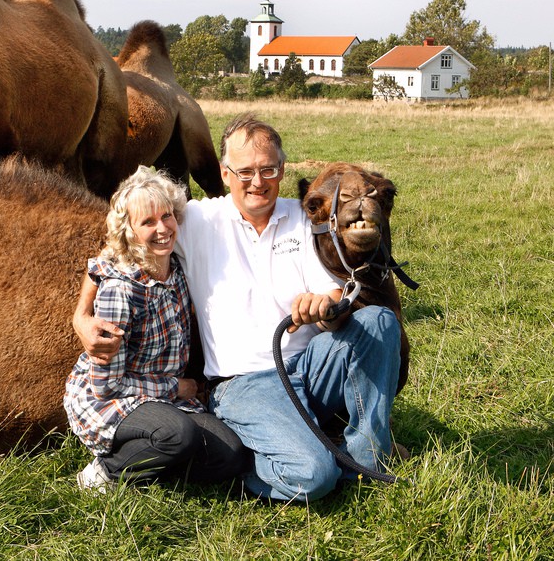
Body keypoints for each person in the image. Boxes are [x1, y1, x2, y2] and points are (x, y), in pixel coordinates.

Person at [73, 113, 402, 501]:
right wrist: (81, 316)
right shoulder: (195, 220)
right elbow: (113, 256)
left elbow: (335, 291)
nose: (257, 182)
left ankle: (367, 455)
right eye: (245, 171)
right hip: (245, 383)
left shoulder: (304, 215)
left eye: (267, 170)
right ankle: (254, 466)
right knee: (314, 477)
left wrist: (324, 305)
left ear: (282, 170)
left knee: (379, 320)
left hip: (310, 364)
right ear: (225, 174)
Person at [64, 167, 251, 491]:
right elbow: (107, 385)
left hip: (164, 397)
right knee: (178, 434)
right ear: (130, 231)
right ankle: (105, 473)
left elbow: (97, 265)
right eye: (147, 222)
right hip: (113, 399)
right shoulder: (120, 292)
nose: (162, 228)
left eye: (167, 216)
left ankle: (150, 472)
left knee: (231, 455)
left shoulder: (176, 270)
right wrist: (177, 389)